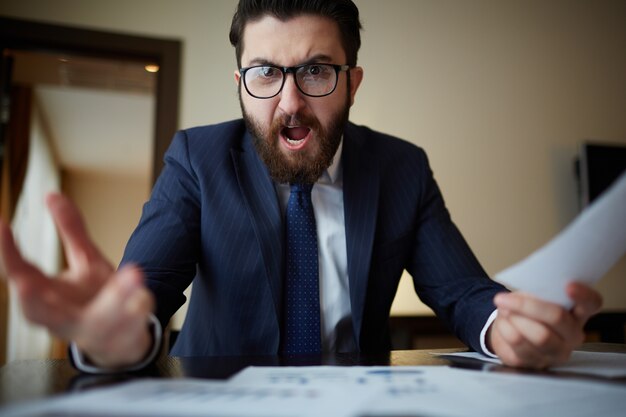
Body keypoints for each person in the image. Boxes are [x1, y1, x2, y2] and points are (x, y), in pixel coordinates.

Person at [0, 0, 601, 373]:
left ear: (352, 81)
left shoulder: (403, 168)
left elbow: (465, 293)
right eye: (266, 72)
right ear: (240, 82)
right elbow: (144, 293)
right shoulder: (197, 157)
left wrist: (510, 331)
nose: (290, 103)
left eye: (315, 71)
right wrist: (115, 338)